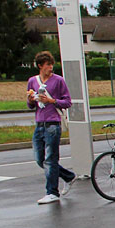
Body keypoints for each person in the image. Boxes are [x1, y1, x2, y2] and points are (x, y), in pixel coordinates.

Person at [27, 51, 76, 204]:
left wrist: (52, 100)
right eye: (48, 65)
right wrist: (30, 99)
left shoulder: (58, 81)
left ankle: (52, 192)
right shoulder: (32, 81)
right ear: (40, 66)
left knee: (51, 158)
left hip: (53, 123)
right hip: (39, 123)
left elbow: (67, 102)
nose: (51, 67)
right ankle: (68, 176)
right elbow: (30, 106)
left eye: (51, 64)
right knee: (40, 159)